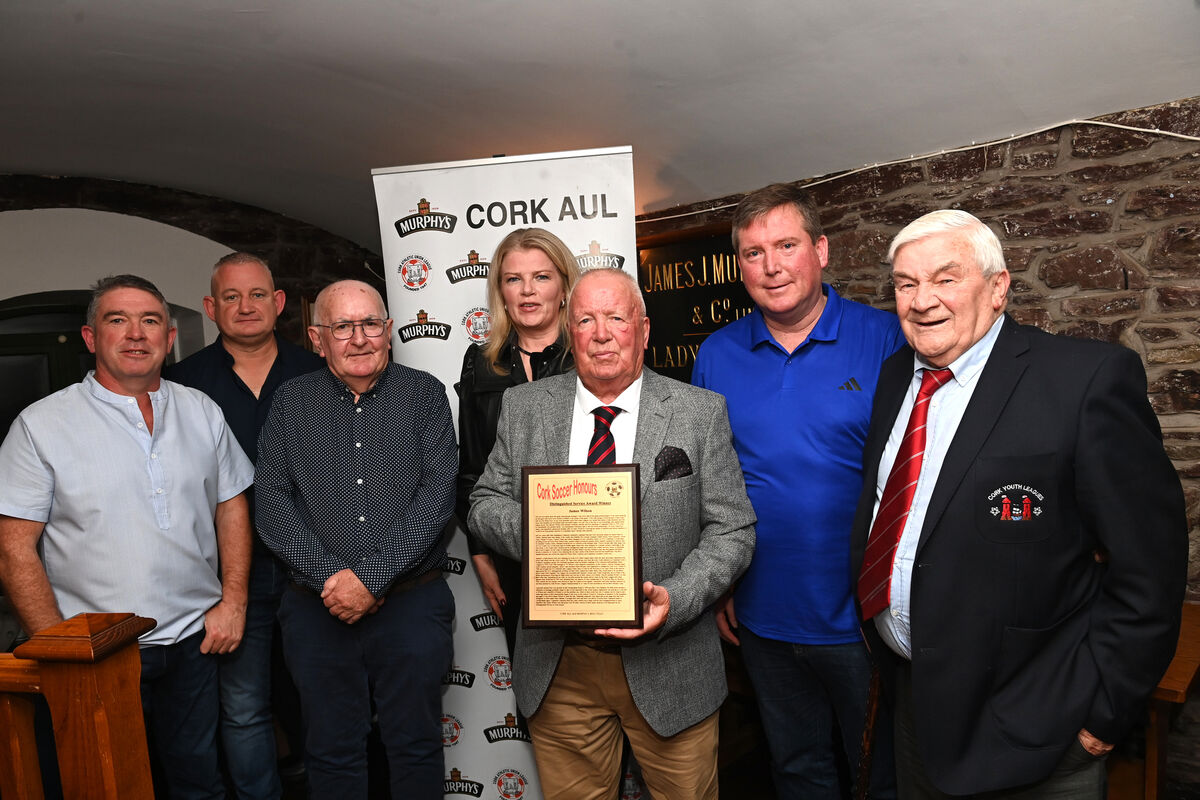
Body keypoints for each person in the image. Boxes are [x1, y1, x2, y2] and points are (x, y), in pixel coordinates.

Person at [850, 210, 1187, 797]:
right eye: (906, 284)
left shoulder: (1083, 381)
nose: (922, 300)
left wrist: (1105, 711)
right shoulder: (892, 380)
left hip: (1033, 728)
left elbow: (1150, 567)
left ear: (998, 287)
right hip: (915, 704)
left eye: (946, 279)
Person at [469, 268, 756, 800]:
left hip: (670, 662)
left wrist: (677, 598)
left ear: (643, 330)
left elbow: (732, 529)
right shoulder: (525, 407)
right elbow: (484, 505)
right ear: (568, 330)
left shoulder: (698, 411)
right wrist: (550, 525)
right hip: (560, 666)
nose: (601, 334)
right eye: (585, 319)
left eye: (616, 318)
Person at [0, 274, 255, 800]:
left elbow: (231, 505)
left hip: (193, 643)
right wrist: (58, 650)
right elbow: (13, 548)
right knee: (103, 787)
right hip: (95, 653)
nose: (135, 334)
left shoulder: (201, 411)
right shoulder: (41, 425)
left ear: (170, 337)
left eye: (150, 321)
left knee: (198, 784)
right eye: (117, 320)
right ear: (92, 337)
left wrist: (233, 600)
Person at [693, 182, 903, 799]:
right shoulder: (717, 353)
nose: (772, 265)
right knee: (796, 771)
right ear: (739, 266)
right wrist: (721, 582)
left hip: (866, 621)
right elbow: (712, 480)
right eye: (754, 252)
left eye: (786, 245)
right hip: (762, 617)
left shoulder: (887, 339)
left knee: (881, 777)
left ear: (821, 250)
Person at [254, 279, 457, 798]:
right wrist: (333, 579)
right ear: (319, 339)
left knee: (414, 747)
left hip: (411, 605)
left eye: (370, 324)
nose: (359, 337)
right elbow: (273, 506)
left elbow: (436, 501)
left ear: (388, 331)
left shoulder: (425, 395)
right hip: (316, 609)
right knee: (331, 752)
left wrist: (371, 577)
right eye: (343, 327)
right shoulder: (290, 403)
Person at [165, 252, 324, 800]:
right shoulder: (180, 386)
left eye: (257, 294)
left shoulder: (319, 373)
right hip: (232, 578)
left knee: (325, 698)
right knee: (243, 709)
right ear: (210, 308)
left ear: (279, 304)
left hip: (317, 569)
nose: (245, 306)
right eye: (230, 297)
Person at [456, 227, 579, 652]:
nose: (527, 291)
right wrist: (481, 554)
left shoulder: (592, 355)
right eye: (513, 279)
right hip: (511, 552)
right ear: (501, 291)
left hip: (588, 542)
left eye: (541, 277)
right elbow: (471, 467)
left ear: (564, 287)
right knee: (535, 689)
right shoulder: (480, 362)